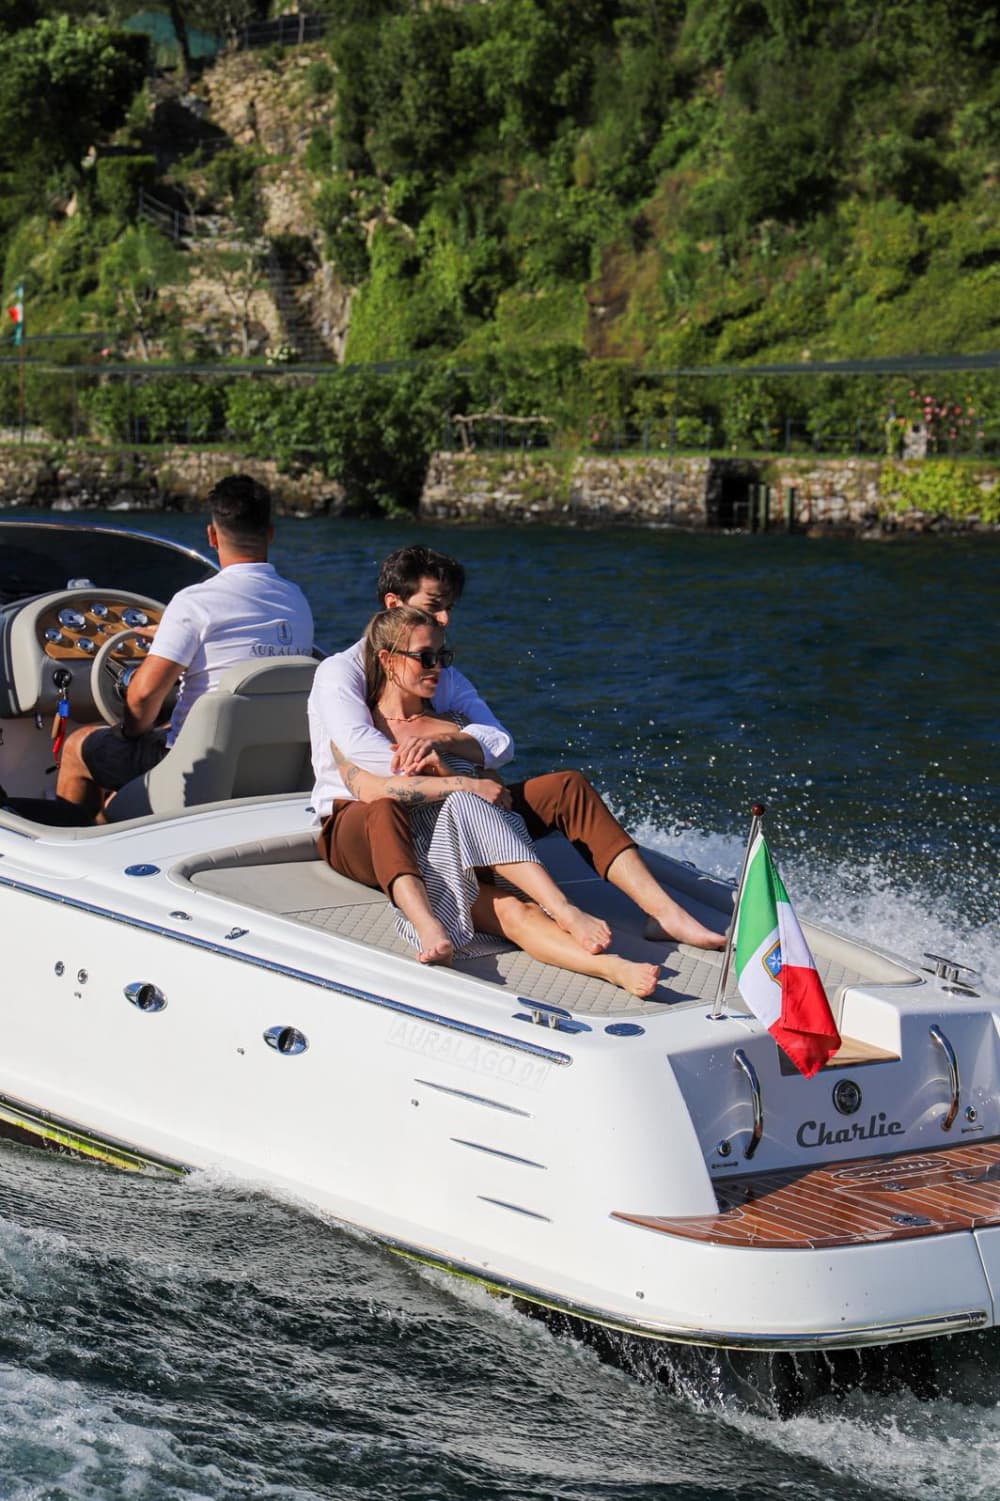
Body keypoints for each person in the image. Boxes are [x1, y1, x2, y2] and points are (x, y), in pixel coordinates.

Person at [308, 543, 724, 961]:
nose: (446, 619)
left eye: (450, 607)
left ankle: (663, 912)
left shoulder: (440, 673)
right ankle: (453, 918)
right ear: (394, 605)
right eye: (435, 606)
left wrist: (445, 741)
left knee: (567, 788)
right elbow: (365, 753)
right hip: (362, 818)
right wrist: (459, 780)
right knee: (391, 808)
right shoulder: (340, 673)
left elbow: (500, 742)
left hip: (454, 808)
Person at [327, 606, 662, 996]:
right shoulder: (357, 733)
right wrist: (454, 783)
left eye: (443, 657)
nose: (438, 668)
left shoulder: (453, 723)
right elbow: (370, 791)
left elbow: (496, 790)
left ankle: (570, 912)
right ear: (386, 659)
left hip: (490, 849)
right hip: (431, 860)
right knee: (515, 913)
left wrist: (454, 770)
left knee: (472, 807)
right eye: (426, 657)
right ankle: (610, 966)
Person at [56, 474, 314, 819]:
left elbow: (143, 696)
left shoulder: (195, 603)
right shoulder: (297, 602)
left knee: (78, 746)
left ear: (211, 534)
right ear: (270, 532)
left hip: (197, 770)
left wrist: (128, 733)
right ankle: (110, 818)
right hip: (270, 769)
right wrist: (173, 636)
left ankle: (75, 851)